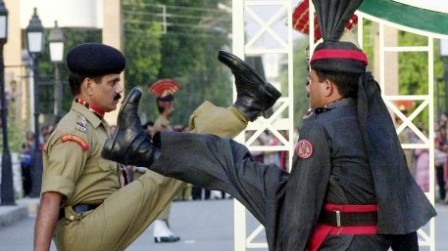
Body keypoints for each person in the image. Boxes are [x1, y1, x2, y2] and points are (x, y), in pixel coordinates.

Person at [101, 0, 436, 250]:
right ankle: (147, 145)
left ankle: (142, 147)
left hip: (339, 242)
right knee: (240, 164)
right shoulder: (375, 123)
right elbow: (397, 198)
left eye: (311, 81)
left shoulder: (321, 127)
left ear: (329, 88)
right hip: (369, 243)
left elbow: (300, 209)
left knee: (234, 164)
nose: (307, 88)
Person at [33, 43, 281, 251]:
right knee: (165, 170)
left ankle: (246, 106)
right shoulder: (73, 131)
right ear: (88, 86)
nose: (120, 90)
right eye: (112, 83)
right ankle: (247, 106)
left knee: (171, 165)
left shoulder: (94, 126)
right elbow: (50, 199)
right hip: (82, 232)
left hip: (97, 223)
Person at [148, 79, 181, 243]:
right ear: (165, 105)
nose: (173, 107)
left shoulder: (164, 122)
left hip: (166, 165)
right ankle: (159, 230)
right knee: (163, 198)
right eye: (171, 104)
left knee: (166, 198)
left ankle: (163, 228)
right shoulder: (161, 124)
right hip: (163, 166)